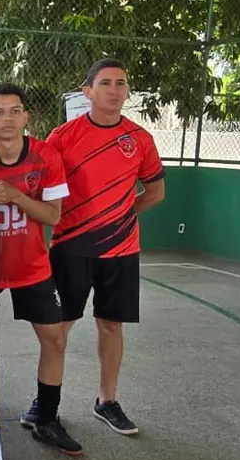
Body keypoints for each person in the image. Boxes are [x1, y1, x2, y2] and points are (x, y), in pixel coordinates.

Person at [27, 59, 165, 436]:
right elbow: (42, 190)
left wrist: (121, 214)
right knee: (59, 327)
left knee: (111, 324)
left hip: (121, 250)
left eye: (121, 83)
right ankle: (45, 401)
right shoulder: (62, 136)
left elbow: (155, 192)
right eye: (105, 83)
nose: (115, 89)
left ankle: (107, 401)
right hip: (71, 247)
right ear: (87, 92)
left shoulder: (140, 139)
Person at [0, 83, 79, 455]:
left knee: (55, 339)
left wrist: (17, 196)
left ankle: (46, 417)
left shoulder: (46, 157)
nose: (7, 119)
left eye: (14, 111)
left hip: (32, 267)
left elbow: (53, 215)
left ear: (26, 116)